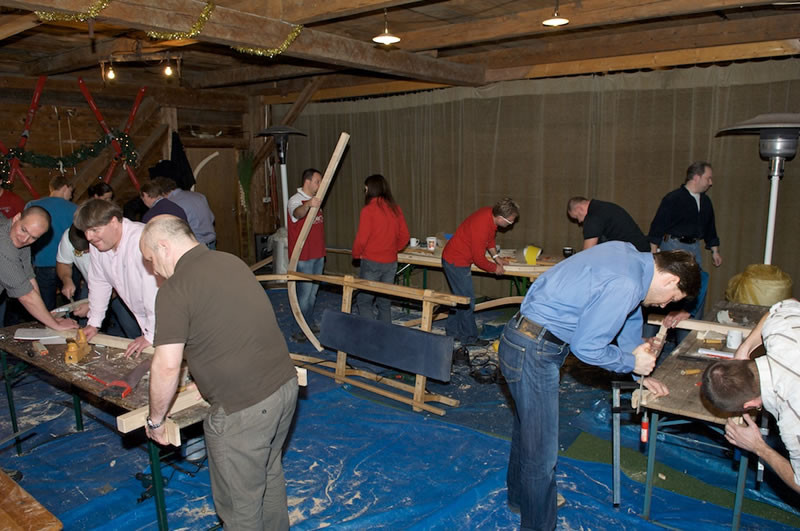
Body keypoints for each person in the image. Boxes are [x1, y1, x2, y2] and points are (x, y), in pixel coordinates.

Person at [498, 242, 700, 530]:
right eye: (673, 298)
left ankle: (522, 501)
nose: (665, 305)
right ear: (670, 279)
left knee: (529, 432)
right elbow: (587, 348)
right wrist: (631, 362)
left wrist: (640, 373)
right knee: (541, 454)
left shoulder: (629, 256)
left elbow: (629, 316)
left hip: (523, 340)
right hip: (534, 350)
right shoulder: (627, 283)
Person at [141, 215, 298, 529]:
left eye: (151, 260)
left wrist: (156, 420)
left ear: (163, 246)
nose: (154, 270)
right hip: (284, 386)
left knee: (240, 507)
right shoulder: (230, 261)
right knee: (268, 474)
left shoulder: (175, 289)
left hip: (244, 409)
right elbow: (230, 327)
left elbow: (167, 365)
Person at [701, 298, 800, 494]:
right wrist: (745, 347)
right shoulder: (782, 334)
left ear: (750, 404)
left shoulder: (793, 419)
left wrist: (758, 447)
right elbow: (785, 305)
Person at [73, 199, 157, 357]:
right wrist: (94, 322)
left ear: (113, 222)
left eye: (94, 230)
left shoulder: (142, 240)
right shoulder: (99, 244)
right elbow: (99, 282)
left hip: (174, 318)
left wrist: (152, 335)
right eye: (85, 231)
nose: (89, 237)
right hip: (149, 320)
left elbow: (156, 293)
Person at [441, 197, 519, 347]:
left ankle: (452, 332)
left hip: (456, 258)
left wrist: (496, 258)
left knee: (459, 299)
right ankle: (469, 338)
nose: (512, 223)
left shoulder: (489, 214)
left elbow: (490, 239)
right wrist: (495, 268)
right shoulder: (481, 227)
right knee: (467, 302)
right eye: (510, 221)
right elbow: (479, 259)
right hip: (456, 261)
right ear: (500, 217)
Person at [647, 161, 721, 320]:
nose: (710, 182)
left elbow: (710, 227)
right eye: (708, 178)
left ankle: (687, 321)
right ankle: (663, 322)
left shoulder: (705, 202)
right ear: (696, 177)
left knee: (695, 285)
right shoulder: (673, 198)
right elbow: (658, 225)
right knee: (671, 283)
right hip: (673, 245)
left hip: (694, 246)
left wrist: (715, 250)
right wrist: (653, 252)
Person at [0, 206, 77, 331]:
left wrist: (48, 317)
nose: (24, 239)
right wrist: (56, 325)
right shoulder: (3, 244)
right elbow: (26, 295)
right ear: (16, 217)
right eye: (23, 230)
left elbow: (29, 277)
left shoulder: (18, 238)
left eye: (33, 237)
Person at [352, 174, 410, 322]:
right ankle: (384, 332)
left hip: (371, 261)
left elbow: (362, 239)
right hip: (390, 262)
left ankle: (371, 332)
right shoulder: (396, 209)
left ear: (370, 189)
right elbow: (405, 236)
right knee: (384, 302)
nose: (365, 191)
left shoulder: (368, 210)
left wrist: (356, 254)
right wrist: (393, 249)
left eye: (365, 188)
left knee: (364, 301)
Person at [26, 175, 76, 310]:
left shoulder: (32, 206)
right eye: (71, 191)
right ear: (65, 187)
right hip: (69, 265)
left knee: (45, 307)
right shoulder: (74, 209)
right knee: (73, 305)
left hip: (42, 264)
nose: (71, 196)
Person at [287, 168, 325, 341]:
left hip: (318, 254)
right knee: (303, 295)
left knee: (312, 294)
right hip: (304, 256)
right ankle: (299, 328)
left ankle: (308, 322)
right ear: (307, 182)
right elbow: (297, 213)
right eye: (317, 181)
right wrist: (308, 204)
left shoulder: (317, 200)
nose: (320, 184)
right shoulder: (295, 200)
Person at [151, 175, 216, 249]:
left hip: (193, 247)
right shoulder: (199, 196)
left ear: (161, 193)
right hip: (211, 243)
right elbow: (211, 218)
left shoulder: (171, 204)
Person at [566, 196, 650, 252]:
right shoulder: (603, 207)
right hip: (640, 250)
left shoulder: (593, 215)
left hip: (634, 255)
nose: (579, 221)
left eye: (577, 217)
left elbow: (588, 252)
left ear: (579, 208)